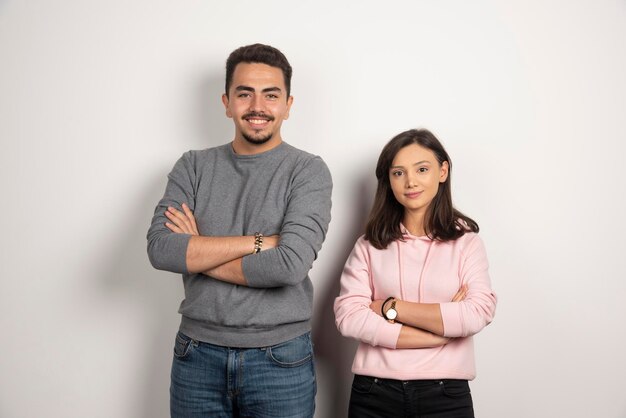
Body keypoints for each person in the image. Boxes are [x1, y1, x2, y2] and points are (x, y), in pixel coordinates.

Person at [147, 43, 332, 418]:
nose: (257, 106)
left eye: (271, 94)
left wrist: (197, 252)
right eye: (244, 94)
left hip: (280, 359)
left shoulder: (308, 171)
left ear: (288, 105)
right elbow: (162, 250)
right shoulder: (193, 166)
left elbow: (288, 266)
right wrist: (259, 242)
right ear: (227, 102)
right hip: (196, 355)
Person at [334, 128, 497, 418]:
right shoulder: (369, 245)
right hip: (374, 393)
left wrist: (389, 307)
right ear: (389, 181)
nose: (410, 181)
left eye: (422, 169)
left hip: (446, 393)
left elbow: (478, 312)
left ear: (442, 171)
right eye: (398, 173)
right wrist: (437, 334)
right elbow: (348, 317)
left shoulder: (466, 243)